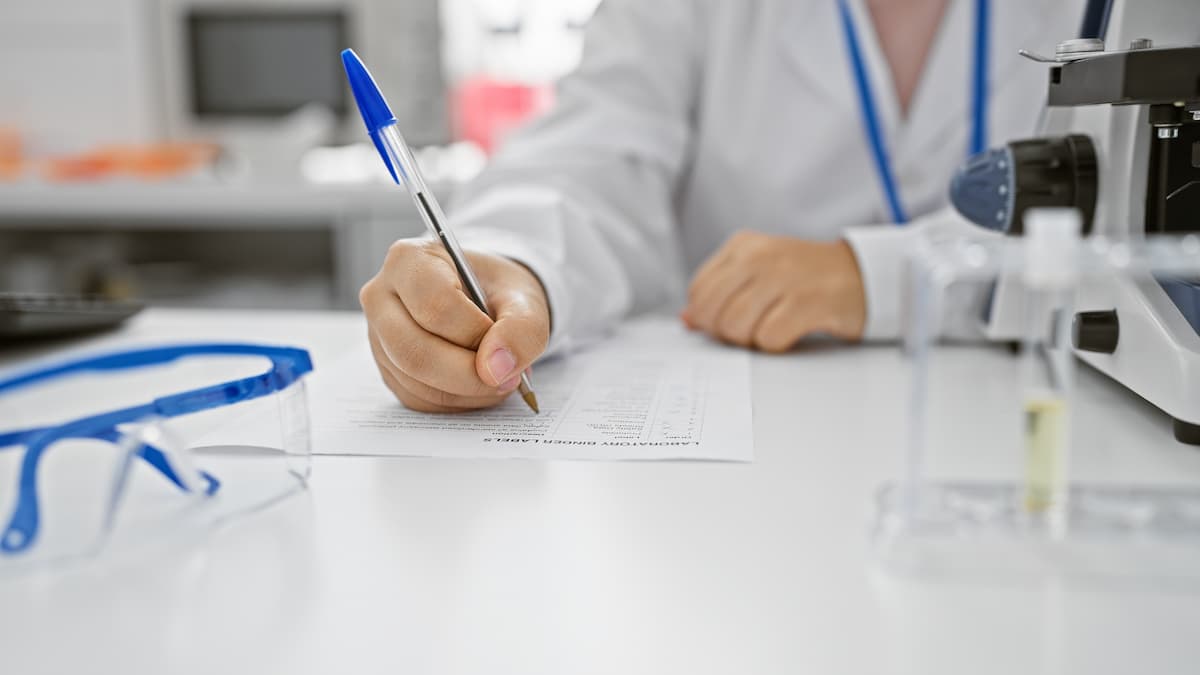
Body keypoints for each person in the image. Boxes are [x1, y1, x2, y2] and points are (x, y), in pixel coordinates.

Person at [359, 0, 1085, 412]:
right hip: (749, 473)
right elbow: (594, 155)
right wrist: (514, 266)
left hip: (1064, 413)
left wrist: (879, 277)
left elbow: (1154, 222)